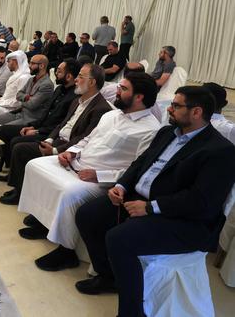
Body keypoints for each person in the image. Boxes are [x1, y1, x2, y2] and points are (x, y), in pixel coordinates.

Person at [74, 86, 235, 317]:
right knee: (87, 215)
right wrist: (121, 186)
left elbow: (201, 201)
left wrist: (150, 208)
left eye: (177, 105)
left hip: (184, 220)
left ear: (197, 112)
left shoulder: (221, 151)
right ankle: (108, 276)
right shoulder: (168, 132)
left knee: (120, 239)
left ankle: (131, 312)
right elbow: (140, 163)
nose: (168, 108)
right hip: (141, 201)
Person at [18, 72, 161, 273]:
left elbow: (137, 169)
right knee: (35, 165)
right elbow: (88, 140)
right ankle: (44, 222)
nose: (117, 91)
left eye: (124, 89)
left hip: (101, 179)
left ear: (139, 97)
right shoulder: (111, 115)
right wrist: (71, 152)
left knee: (70, 193)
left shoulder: (151, 130)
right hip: (78, 162)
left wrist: (99, 175)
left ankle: (66, 252)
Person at [0, 64, 112, 205]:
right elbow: (62, 124)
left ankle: (21, 192)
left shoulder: (101, 108)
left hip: (69, 148)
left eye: (81, 76)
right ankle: (19, 188)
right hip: (57, 139)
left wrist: (55, 150)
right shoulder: (78, 100)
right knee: (18, 143)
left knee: (21, 149)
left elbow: (84, 137)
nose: (76, 79)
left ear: (92, 82)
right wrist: (50, 139)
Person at [0, 59, 80, 170]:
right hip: (39, 123)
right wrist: (33, 126)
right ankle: (7, 163)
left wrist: (37, 131)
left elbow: (59, 123)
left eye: (59, 71)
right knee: (3, 130)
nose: (56, 74)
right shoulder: (58, 89)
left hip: (49, 133)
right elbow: (43, 111)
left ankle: (15, 176)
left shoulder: (74, 97)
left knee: (16, 142)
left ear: (68, 77)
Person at [0, 54, 54, 133]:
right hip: (19, 113)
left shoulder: (47, 85)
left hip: (30, 118)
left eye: (32, 63)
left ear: (41, 66)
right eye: (29, 63)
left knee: (1, 130)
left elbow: (32, 104)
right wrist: (28, 98)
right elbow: (18, 94)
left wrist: (23, 99)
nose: (29, 66)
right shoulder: (31, 79)